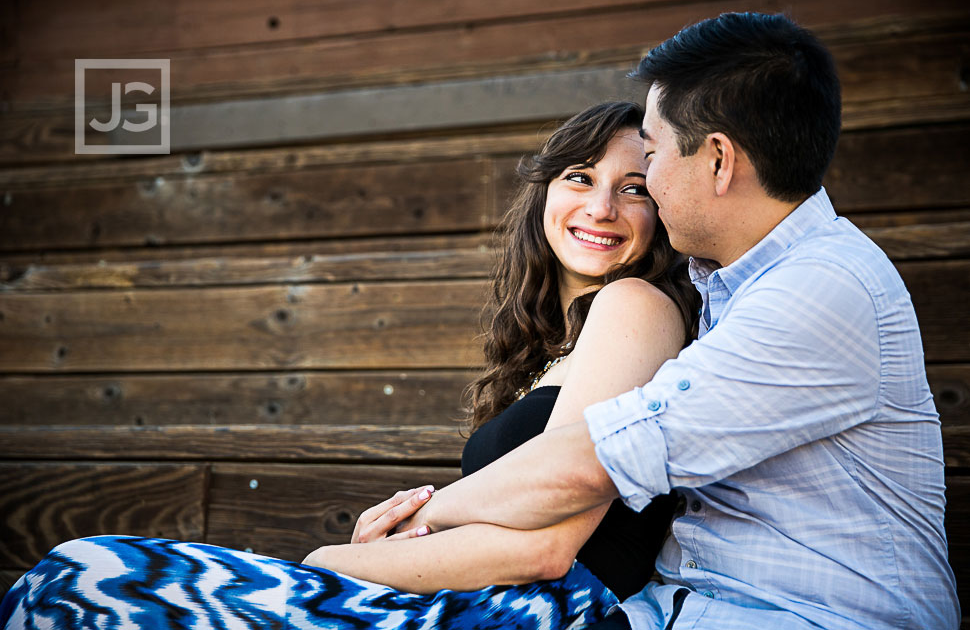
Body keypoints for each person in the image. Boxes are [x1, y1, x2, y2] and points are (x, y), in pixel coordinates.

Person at [0, 101, 700, 630]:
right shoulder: (550, 350)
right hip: (479, 600)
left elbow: (550, 548)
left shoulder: (636, 304)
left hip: (536, 614)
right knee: (69, 585)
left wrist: (336, 560)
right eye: (580, 177)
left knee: (82, 579)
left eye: (634, 187)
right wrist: (406, 541)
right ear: (546, 192)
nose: (602, 206)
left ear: (662, 208)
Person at [395, 12, 961, 630]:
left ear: (718, 161)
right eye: (580, 178)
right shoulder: (732, 287)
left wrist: (411, 518)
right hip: (670, 612)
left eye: (652, 159)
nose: (636, 192)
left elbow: (596, 461)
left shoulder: (820, 289)